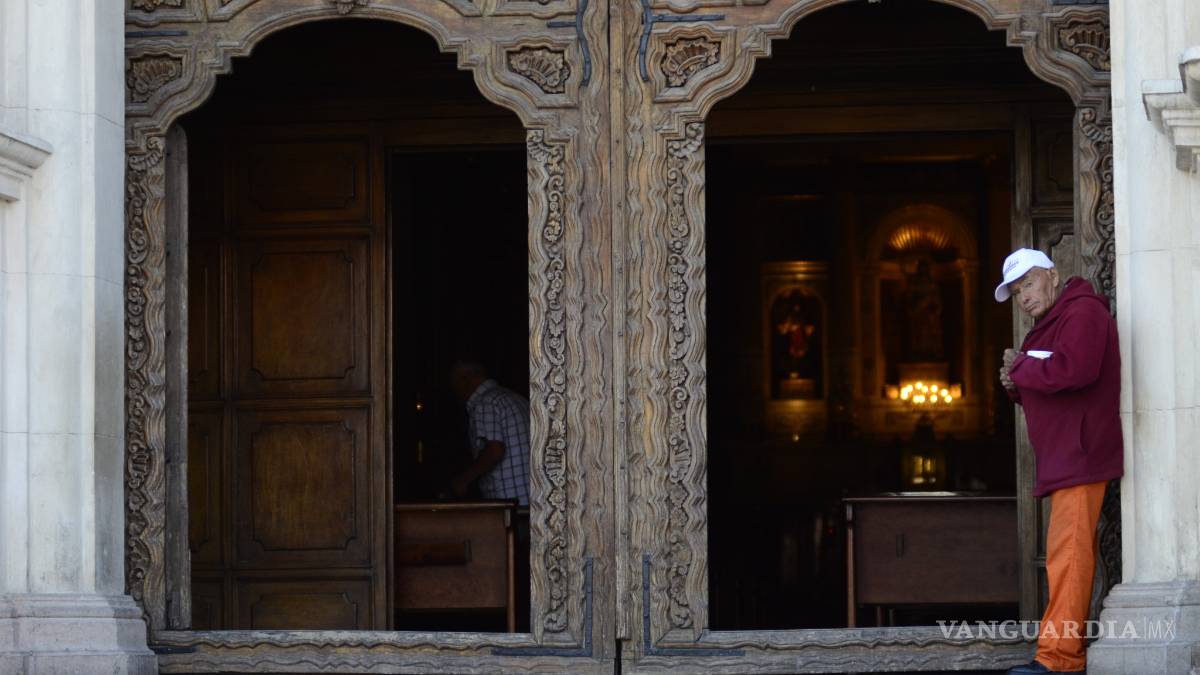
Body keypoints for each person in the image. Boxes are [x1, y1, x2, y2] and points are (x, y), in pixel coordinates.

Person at [995, 248, 1124, 675]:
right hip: (1066, 456)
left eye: (1027, 284)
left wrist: (1023, 368)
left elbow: (1077, 369)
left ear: (1052, 275)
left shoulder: (1082, 312)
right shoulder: (1051, 322)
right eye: (1016, 293)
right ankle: (1057, 656)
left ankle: (1059, 660)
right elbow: (1048, 376)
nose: (1024, 298)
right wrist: (1017, 382)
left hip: (1080, 453)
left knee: (1068, 555)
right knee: (1065, 555)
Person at [447, 361, 531, 506]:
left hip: (511, 504)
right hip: (532, 499)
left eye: (454, 383)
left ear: (466, 378)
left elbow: (495, 450)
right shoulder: (517, 399)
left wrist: (464, 480)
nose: (455, 390)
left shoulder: (485, 402)